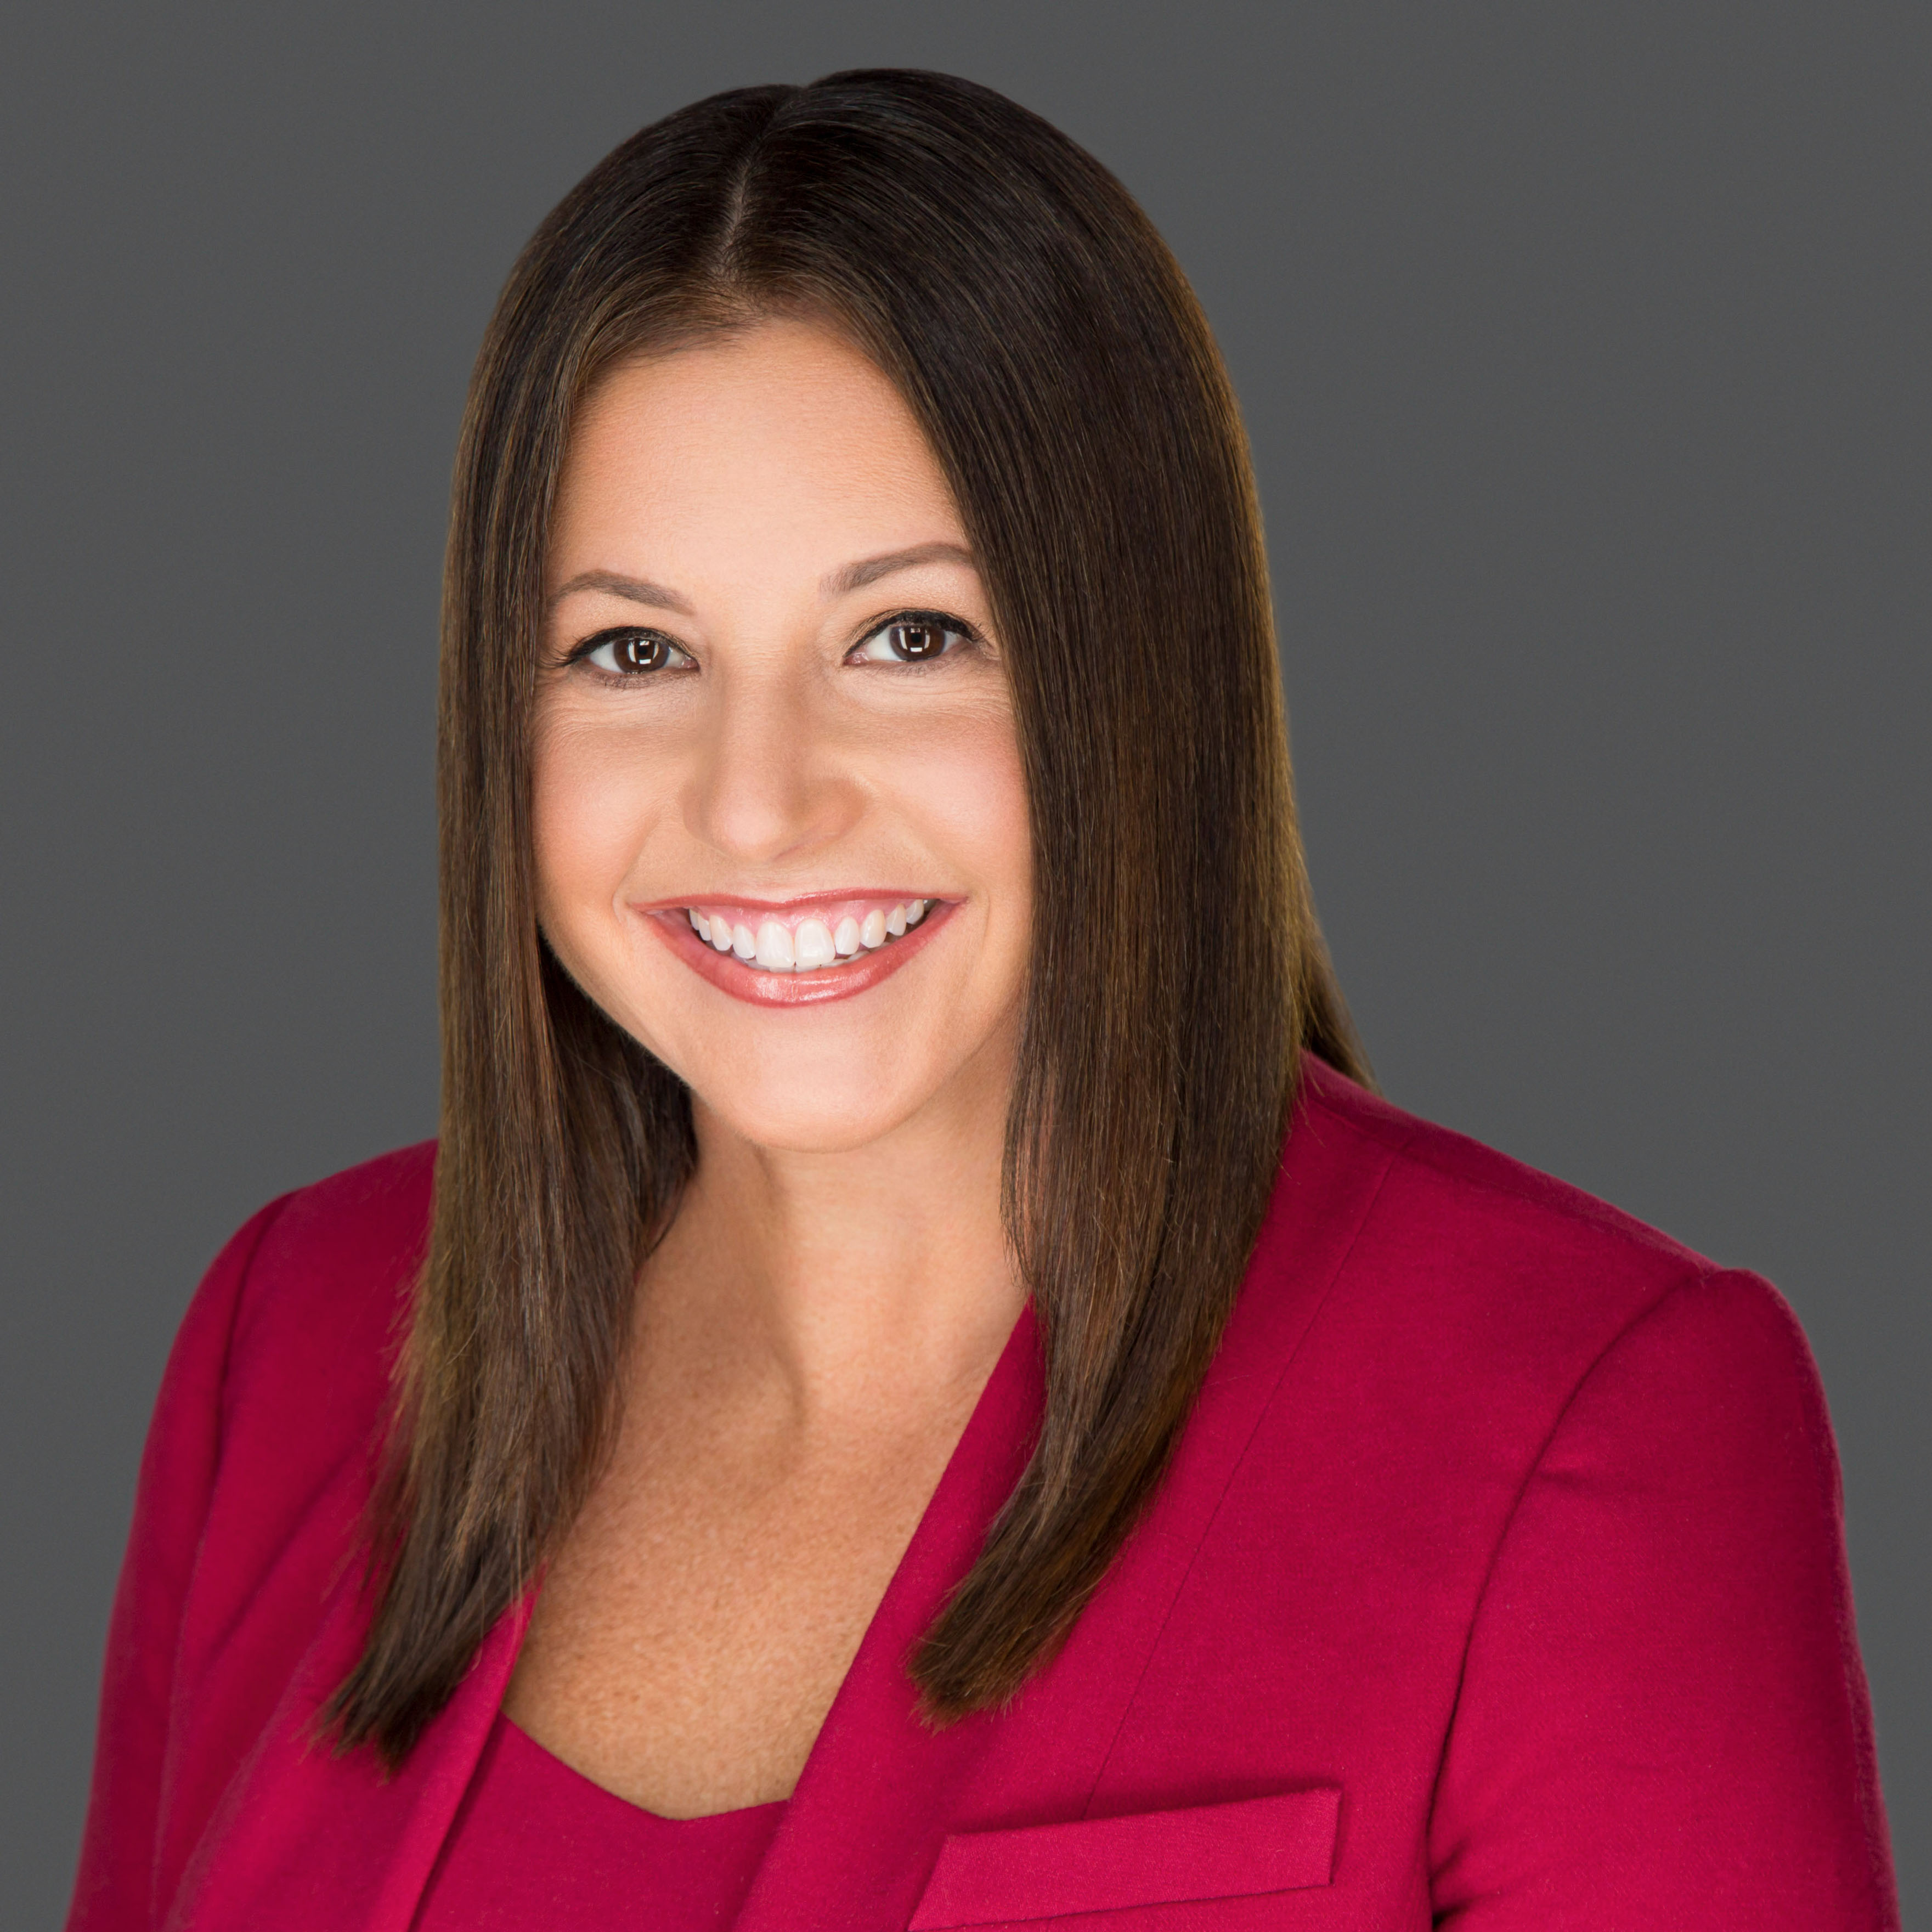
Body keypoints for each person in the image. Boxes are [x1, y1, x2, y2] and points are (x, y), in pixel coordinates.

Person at [66, 69, 1897, 1932]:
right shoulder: (284, 1345)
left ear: (1133, 669)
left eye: (907, 637)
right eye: (632, 650)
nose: (757, 800)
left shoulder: (1593, 1421)